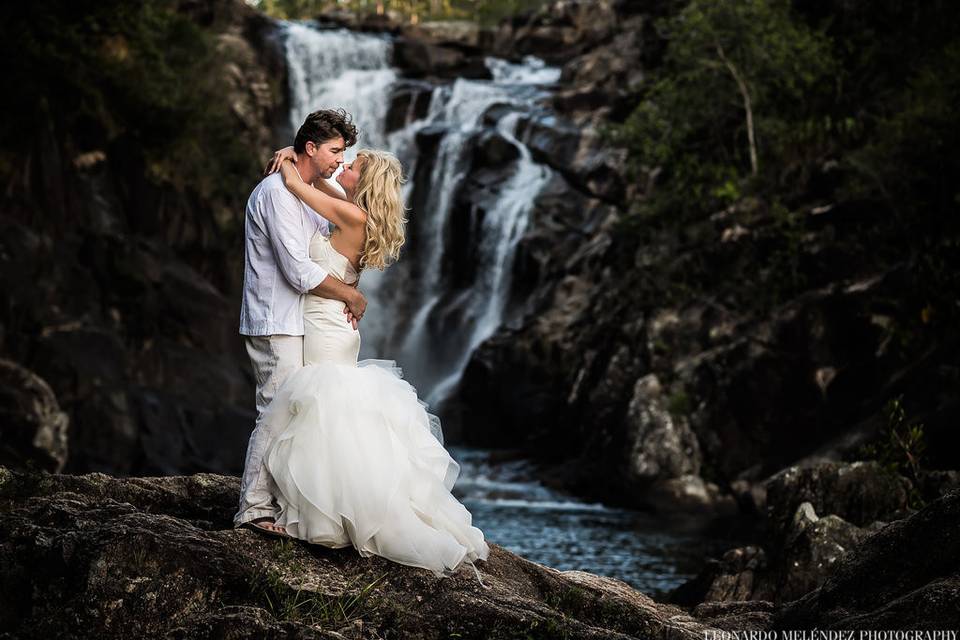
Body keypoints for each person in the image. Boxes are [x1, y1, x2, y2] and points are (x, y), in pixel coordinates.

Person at [254, 144, 489, 581]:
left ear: (362, 181)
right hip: (335, 326)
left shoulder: (351, 216)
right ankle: (320, 505)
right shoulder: (352, 212)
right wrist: (295, 151)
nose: (343, 164)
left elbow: (294, 183)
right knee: (326, 415)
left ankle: (317, 515)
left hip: (326, 326)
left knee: (316, 415)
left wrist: (289, 160)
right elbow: (316, 179)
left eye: (353, 165)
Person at [234, 109, 366, 535]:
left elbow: (334, 218)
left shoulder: (304, 191)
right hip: (277, 318)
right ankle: (254, 509)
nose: (340, 161)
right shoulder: (277, 193)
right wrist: (349, 294)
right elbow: (298, 271)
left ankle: (283, 504)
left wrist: (296, 158)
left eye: (344, 153)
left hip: (299, 320)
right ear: (311, 147)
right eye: (334, 151)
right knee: (274, 411)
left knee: (292, 413)